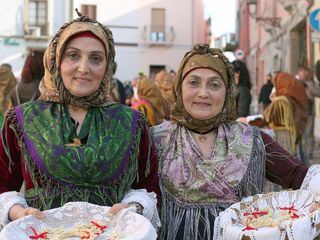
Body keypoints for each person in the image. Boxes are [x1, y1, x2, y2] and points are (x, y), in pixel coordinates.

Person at [0, 13, 160, 230]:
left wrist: (135, 207)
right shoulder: (21, 119)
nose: (84, 68)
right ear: (56, 60)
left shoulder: (131, 121)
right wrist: (17, 211)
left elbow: (147, 187)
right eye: (73, 56)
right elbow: (4, 186)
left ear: (107, 67)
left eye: (96, 58)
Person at [151, 44, 320, 240]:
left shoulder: (251, 140)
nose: (203, 93)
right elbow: (135, 196)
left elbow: (297, 174)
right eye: (193, 83)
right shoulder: (156, 140)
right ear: (179, 88)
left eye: (214, 85)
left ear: (227, 92)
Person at [295, 65, 320, 160]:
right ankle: (300, 153)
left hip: (309, 111)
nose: (303, 73)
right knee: (298, 133)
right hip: (297, 111)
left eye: (305, 71)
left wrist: (309, 84)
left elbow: (318, 92)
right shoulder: (295, 82)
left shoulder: (311, 82)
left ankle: (309, 153)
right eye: (301, 71)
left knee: (309, 133)